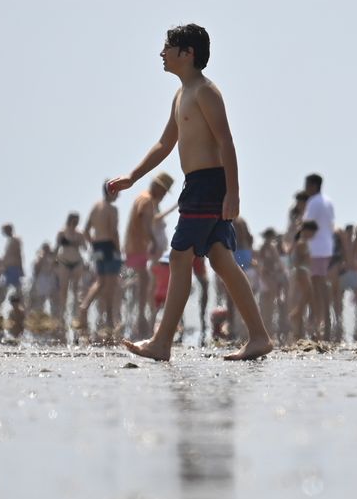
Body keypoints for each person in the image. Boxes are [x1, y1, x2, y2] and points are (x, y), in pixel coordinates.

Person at [113, 23, 273, 361]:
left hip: (208, 185)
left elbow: (226, 142)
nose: (162, 53)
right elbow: (165, 143)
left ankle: (161, 342)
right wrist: (132, 176)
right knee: (220, 258)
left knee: (180, 256)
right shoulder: (181, 94)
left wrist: (234, 193)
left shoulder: (205, 91)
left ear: (187, 53)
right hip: (198, 184)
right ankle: (259, 337)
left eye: (168, 47)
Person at [123, 174, 172, 339]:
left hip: (137, 247)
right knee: (144, 284)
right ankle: (140, 322)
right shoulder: (146, 200)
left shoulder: (144, 199)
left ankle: (138, 321)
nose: (163, 195)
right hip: (137, 247)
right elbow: (145, 223)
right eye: (164, 191)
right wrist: (153, 241)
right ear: (157, 187)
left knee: (144, 283)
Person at [77, 185, 123, 337]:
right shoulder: (112, 209)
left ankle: (84, 306)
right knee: (111, 284)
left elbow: (85, 230)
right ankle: (109, 319)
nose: (119, 196)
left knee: (101, 281)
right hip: (109, 246)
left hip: (97, 246)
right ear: (112, 192)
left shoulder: (95, 206)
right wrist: (118, 250)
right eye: (117, 192)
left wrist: (93, 244)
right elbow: (113, 231)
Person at [301, 174, 336, 341]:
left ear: (314, 185)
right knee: (319, 284)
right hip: (326, 246)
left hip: (316, 248)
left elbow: (308, 225)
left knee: (318, 286)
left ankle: (322, 323)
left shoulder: (313, 202)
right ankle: (323, 322)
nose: (305, 188)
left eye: (307, 185)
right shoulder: (328, 201)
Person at [0, 224, 25, 300]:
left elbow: (18, 254)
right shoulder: (9, 240)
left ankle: (23, 304)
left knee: (16, 288)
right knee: (7, 288)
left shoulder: (15, 240)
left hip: (14, 267)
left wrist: (20, 268)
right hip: (8, 268)